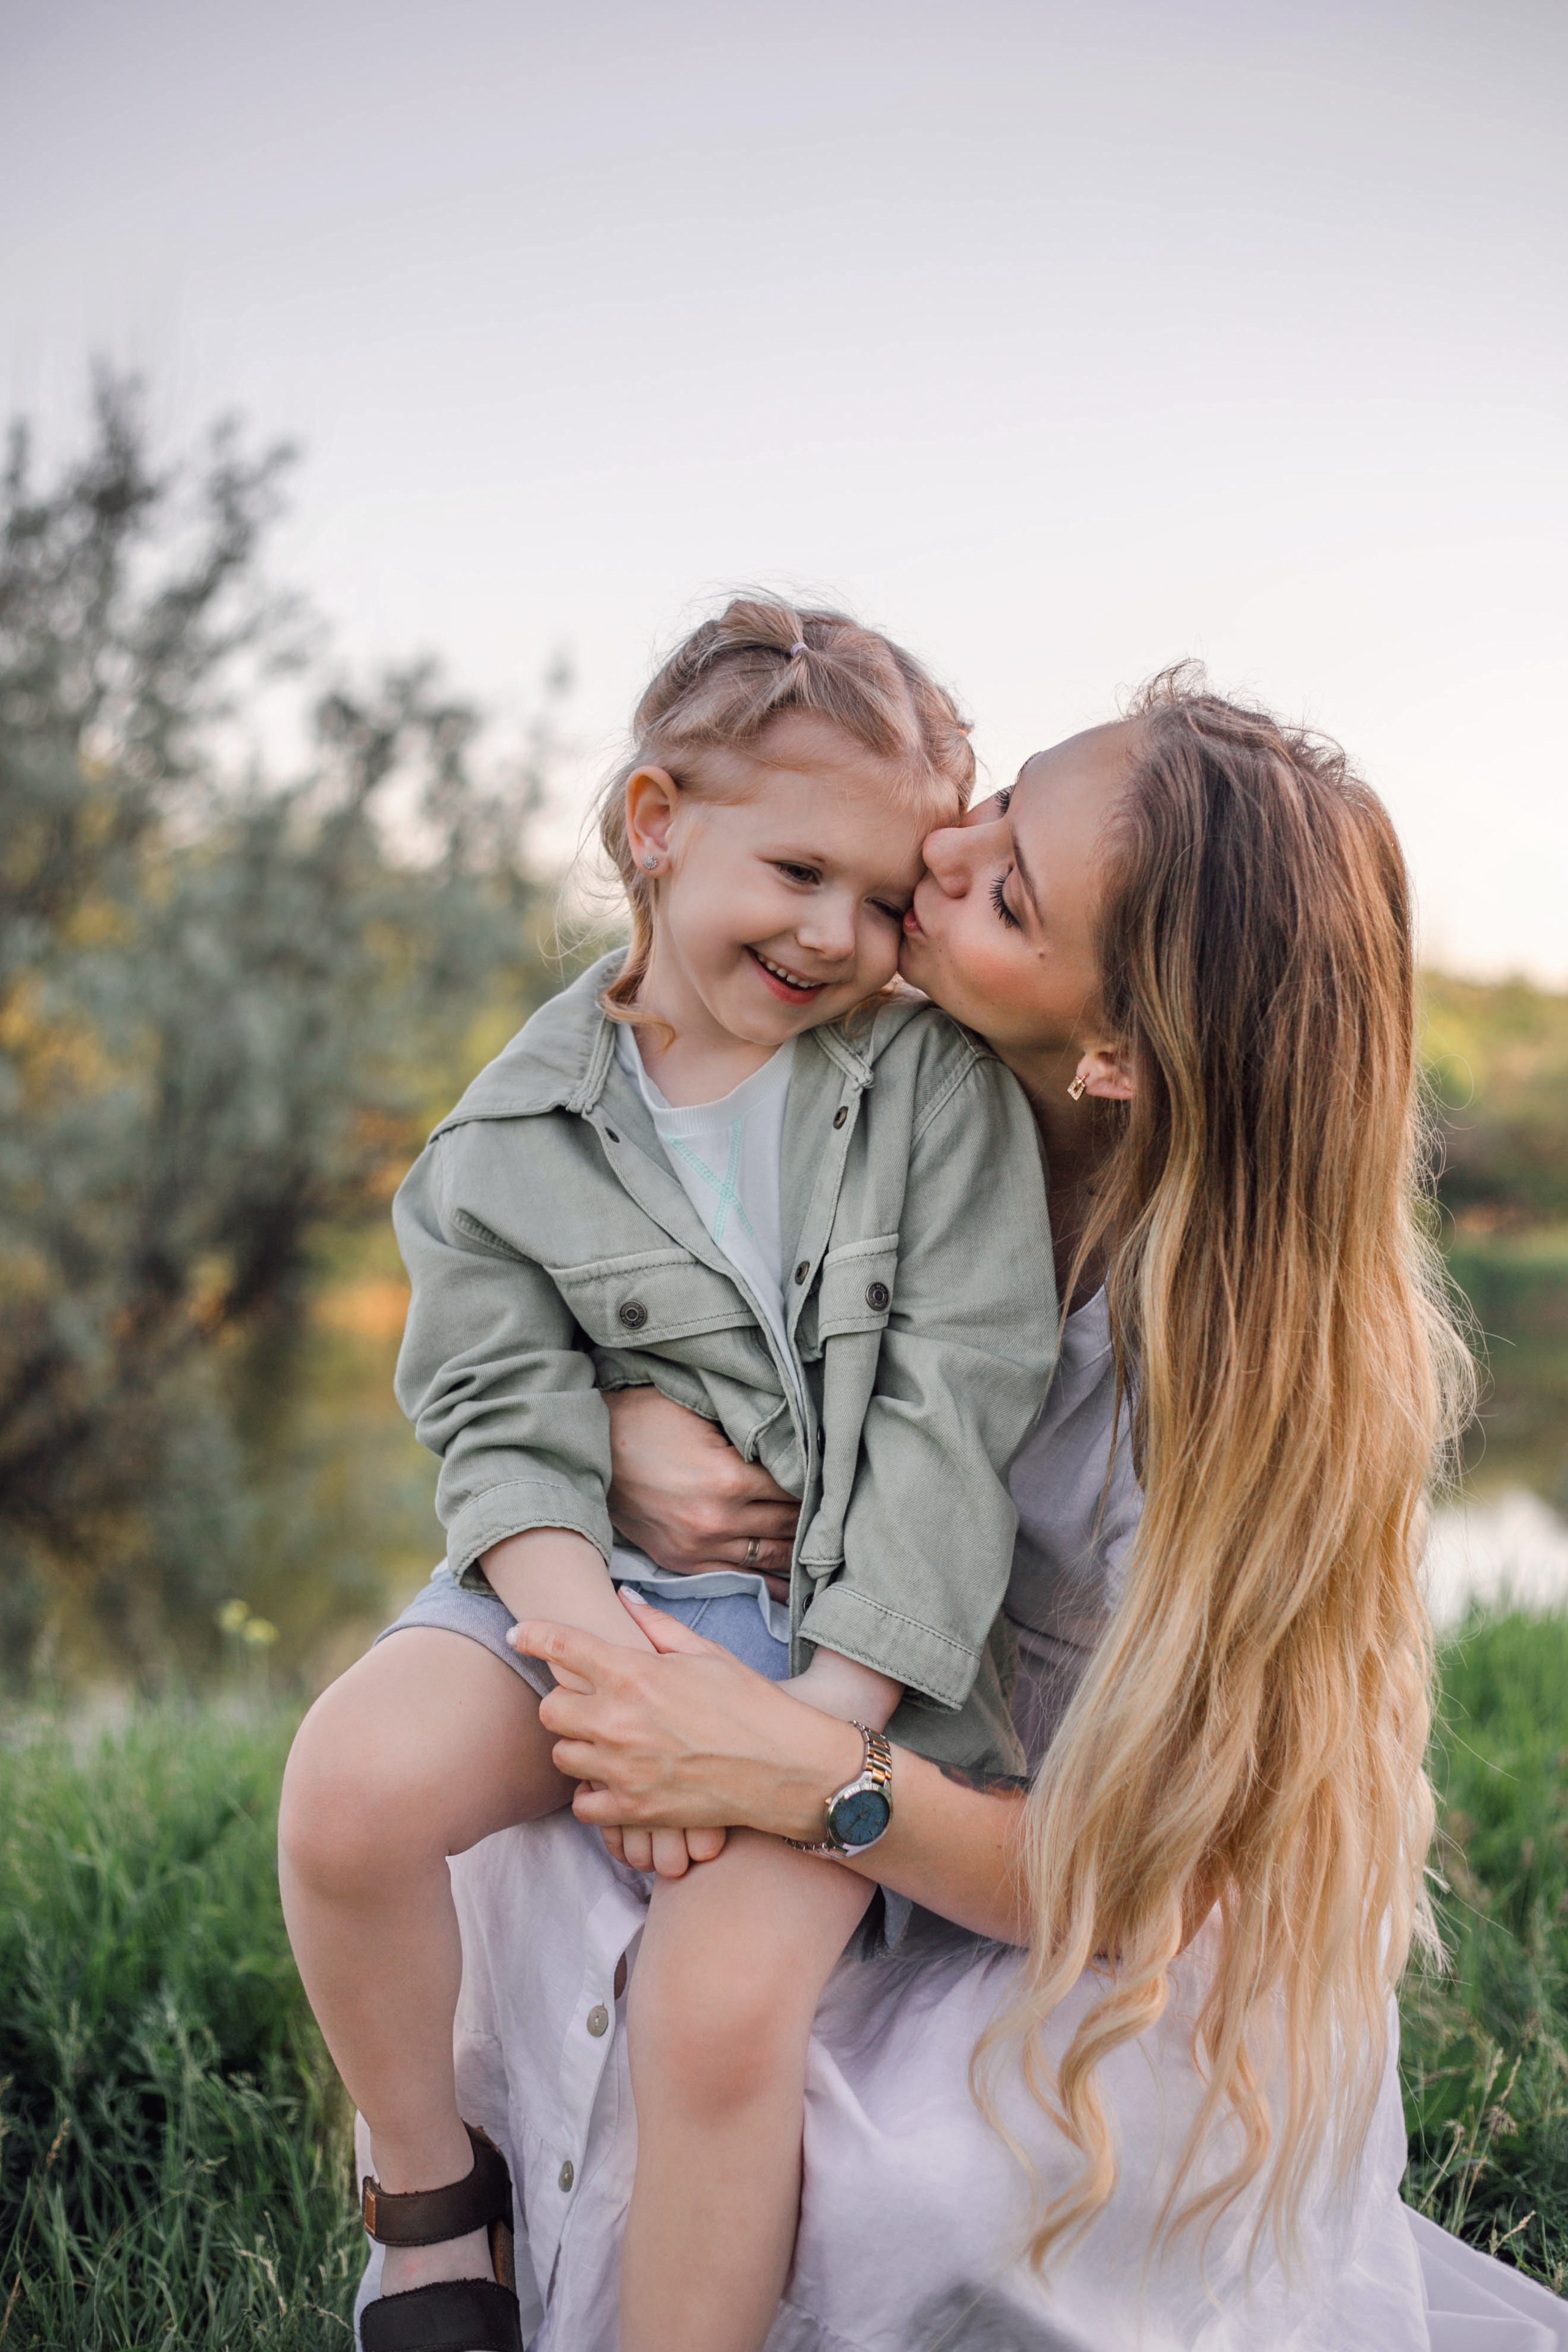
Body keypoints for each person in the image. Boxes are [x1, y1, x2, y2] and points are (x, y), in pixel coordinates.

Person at [374, 670, 1568, 2350]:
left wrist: (814, 1780)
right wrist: (622, 1429)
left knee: (881, 2173)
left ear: (1118, 1058)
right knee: (552, 1843)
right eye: (1000, 801)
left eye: (1010, 893)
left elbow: (1152, 1890)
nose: (942, 854)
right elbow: (559, 1259)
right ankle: (431, 2225)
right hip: (832, 1723)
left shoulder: (1251, 1385)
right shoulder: (868, 1072)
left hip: (1072, 1916)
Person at [279, 599, 1059, 2352]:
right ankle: (428, 2216)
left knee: (716, 2000)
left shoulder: (934, 1094)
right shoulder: (501, 1141)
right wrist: (605, 1677)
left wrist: (812, 1729)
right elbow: (501, 1425)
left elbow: (954, 1417)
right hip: (590, 1600)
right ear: (654, 823)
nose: (837, 933)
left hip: (848, 1643)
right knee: (347, 1790)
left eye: (881, 899)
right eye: (796, 869)